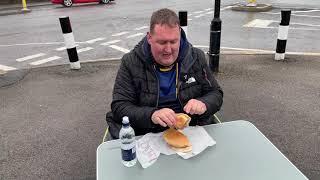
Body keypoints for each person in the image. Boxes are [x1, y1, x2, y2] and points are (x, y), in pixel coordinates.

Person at [106, 8, 223, 139]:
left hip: (190, 129)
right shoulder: (130, 62)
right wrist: (152, 115)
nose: (168, 50)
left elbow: (216, 94)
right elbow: (119, 107)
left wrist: (204, 103)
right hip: (146, 132)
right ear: (149, 37)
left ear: (180, 34)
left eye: (173, 42)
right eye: (162, 42)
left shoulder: (197, 57)